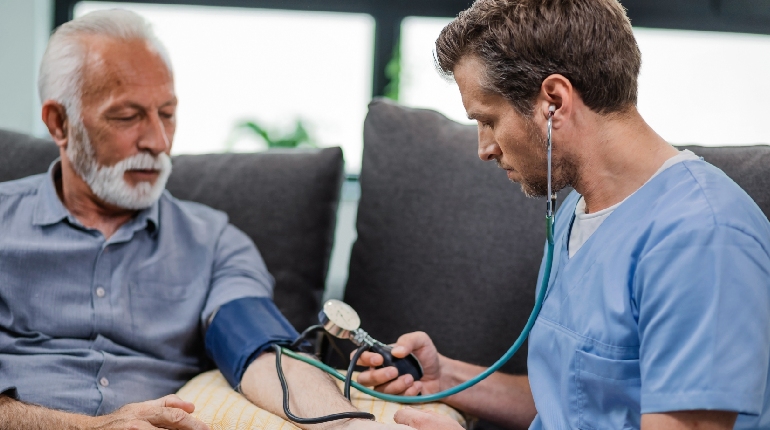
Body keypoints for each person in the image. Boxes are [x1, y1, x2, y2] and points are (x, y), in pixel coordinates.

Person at [355, 1, 770, 429]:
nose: (484, 149)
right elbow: (570, 400)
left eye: (489, 120)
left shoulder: (705, 240)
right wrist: (449, 377)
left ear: (554, 101)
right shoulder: (575, 209)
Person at [0, 10, 409, 430]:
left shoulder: (213, 242)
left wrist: (352, 426)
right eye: (127, 116)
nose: (158, 142)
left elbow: (263, 356)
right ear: (59, 122)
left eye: (167, 113)